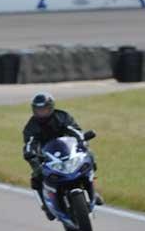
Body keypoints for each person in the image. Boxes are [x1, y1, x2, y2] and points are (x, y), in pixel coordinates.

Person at [22, 92, 102, 220]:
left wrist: (81, 139)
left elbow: (74, 129)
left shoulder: (62, 116)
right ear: (34, 110)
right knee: (36, 177)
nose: (41, 113)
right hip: (47, 156)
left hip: (68, 150)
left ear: (51, 107)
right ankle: (45, 205)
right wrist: (29, 152)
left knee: (89, 156)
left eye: (44, 109)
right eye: (39, 110)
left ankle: (93, 190)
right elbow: (30, 142)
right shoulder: (31, 126)